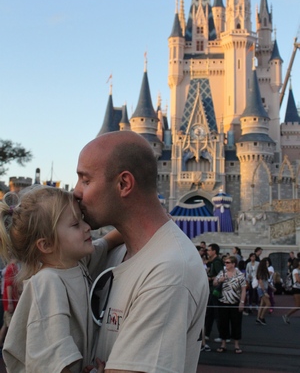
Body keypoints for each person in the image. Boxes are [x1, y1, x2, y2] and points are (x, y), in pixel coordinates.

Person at [74, 131, 209, 373]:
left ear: (124, 184)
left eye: (85, 180)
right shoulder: (118, 252)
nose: (76, 192)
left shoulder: (170, 271)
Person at [0, 186, 122, 373]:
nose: (87, 227)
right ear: (46, 244)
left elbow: (108, 241)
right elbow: (53, 361)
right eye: (75, 224)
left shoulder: (76, 263)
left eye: (82, 220)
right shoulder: (48, 283)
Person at [213, 256, 246, 353]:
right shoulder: (222, 273)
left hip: (235, 302)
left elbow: (243, 289)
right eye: (225, 262)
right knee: (223, 323)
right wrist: (220, 280)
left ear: (233, 264)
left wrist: (242, 302)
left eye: (227, 262)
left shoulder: (240, 275)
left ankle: (236, 345)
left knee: (236, 323)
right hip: (223, 302)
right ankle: (223, 344)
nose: (226, 264)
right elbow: (214, 283)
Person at [204, 243, 224, 343]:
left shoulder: (217, 262)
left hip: (215, 290)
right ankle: (207, 333)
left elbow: (220, 275)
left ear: (214, 251)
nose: (207, 252)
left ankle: (222, 335)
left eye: (209, 250)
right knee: (210, 313)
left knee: (216, 313)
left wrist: (210, 278)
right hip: (211, 290)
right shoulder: (212, 262)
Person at [0, 258, 19, 350]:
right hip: (9, 300)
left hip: (10, 300)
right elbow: (9, 285)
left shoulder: (12, 268)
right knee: (10, 325)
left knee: (5, 323)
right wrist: (10, 302)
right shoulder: (11, 268)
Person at [282, 258, 300, 324]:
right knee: (298, 306)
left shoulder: (298, 270)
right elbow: (298, 280)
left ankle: (286, 315)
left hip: (298, 288)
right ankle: (286, 315)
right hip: (296, 289)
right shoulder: (295, 270)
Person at [256, 258, 271, 325]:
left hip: (264, 288)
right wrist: (264, 291)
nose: (268, 264)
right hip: (262, 289)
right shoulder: (262, 272)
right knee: (268, 304)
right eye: (266, 263)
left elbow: (266, 282)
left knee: (262, 304)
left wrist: (272, 287)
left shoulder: (264, 271)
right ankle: (261, 317)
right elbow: (261, 282)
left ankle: (258, 318)